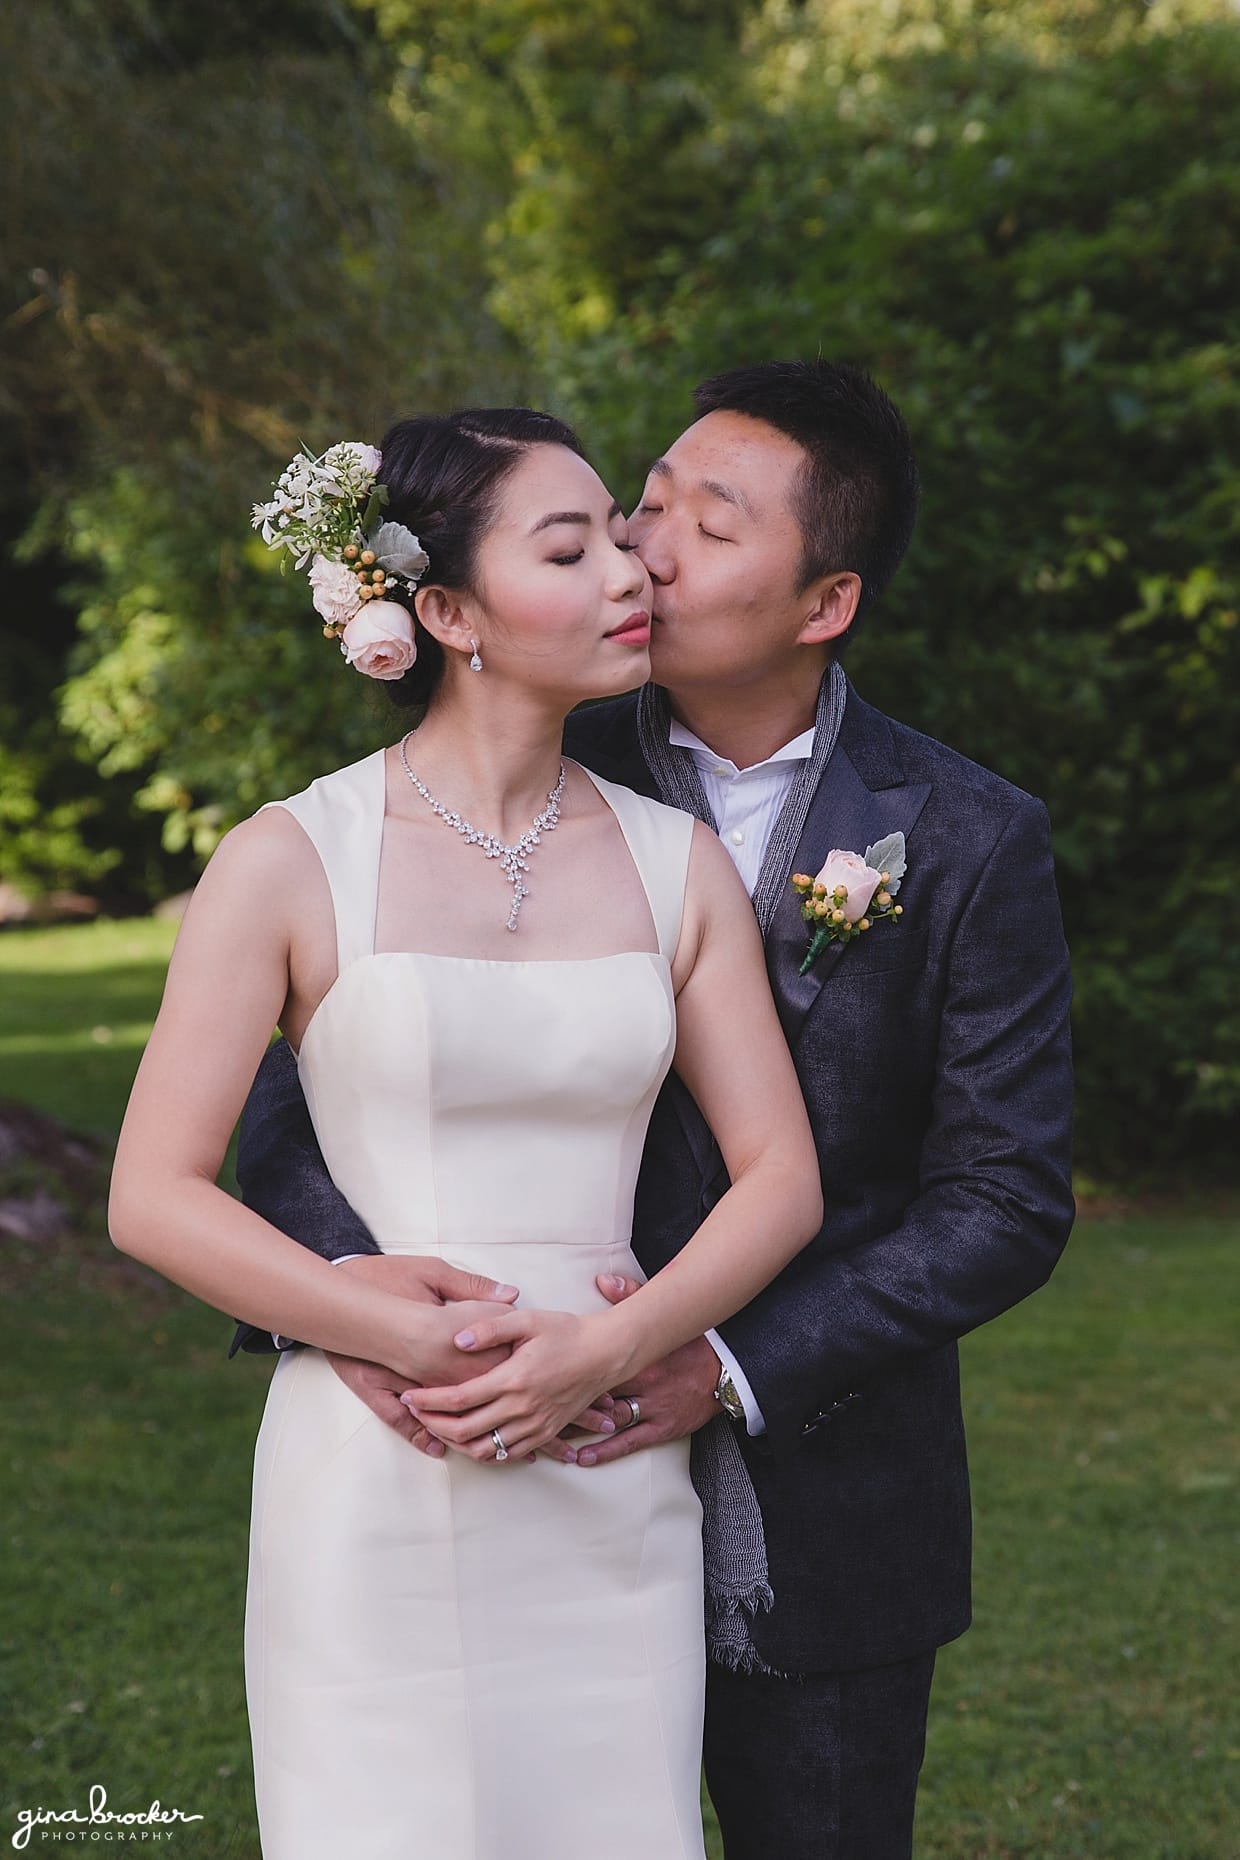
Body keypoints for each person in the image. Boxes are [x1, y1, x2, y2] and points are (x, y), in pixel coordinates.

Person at [232, 362, 1076, 1859]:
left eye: (710, 523)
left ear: (823, 603)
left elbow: (1003, 1199)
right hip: (473, 1444)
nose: (647, 548)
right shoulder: (529, 739)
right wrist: (349, 1310)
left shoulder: (964, 838)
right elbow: (316, 1079)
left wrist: (718, 1365)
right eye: (644, 504)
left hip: (817, 1484)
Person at [107, 407, 825, 1860]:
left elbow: (782, 1180)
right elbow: (153, 1194)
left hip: (606, 1468)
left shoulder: (671, 861)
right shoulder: (289, 858)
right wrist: (383, 1333)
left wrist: (619, 1349)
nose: (632, 574)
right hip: (375, 1472)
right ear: (444, 612)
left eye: (623, 536)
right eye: (572, 550)